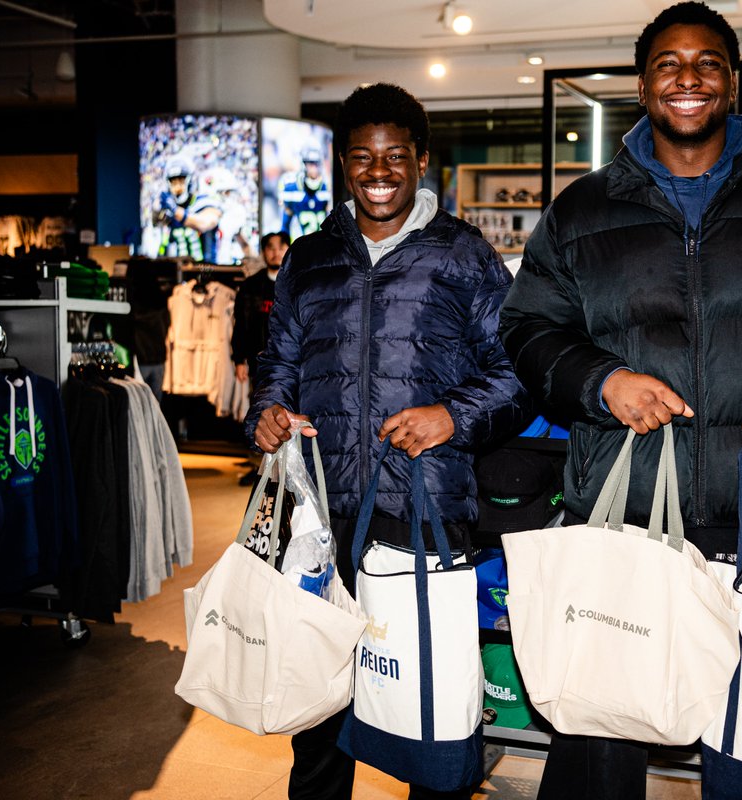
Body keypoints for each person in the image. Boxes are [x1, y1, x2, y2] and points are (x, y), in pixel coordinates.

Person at [497, 3, 742, 798]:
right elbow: (529, 328)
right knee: (599, 745)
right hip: (623, 515)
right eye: (669, 65)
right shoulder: (583, 210)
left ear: (735, 83)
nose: (688, 79)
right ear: (642, 87)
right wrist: (601, 383)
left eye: (708, 63)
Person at [245, 82, 531, 800]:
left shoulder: (463, 255)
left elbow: (520, 374)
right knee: (319, 706)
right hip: (321, 512)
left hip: (425, 507)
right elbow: (277, 362)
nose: (380, 171)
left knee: (428, 703)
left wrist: (450, 417)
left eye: (395, 156)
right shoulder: (309, 258)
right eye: (364, 157)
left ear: (422, 160)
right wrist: (269, 411)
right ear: (344, 164)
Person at [231, 231, 289, 388]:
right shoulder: (250, 286)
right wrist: (239, 359)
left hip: (291, 364)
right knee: (260, 408)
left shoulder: (297, 286)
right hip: (259, 363)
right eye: (270, 248)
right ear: (263, 252)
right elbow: (241, 324)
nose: (276, 253)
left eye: (281, 247)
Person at [154, 153, 223, 263]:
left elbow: (205, 223)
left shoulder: (203, 202)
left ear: (190, 181)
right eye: (173, 182)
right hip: (177, 273)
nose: (177, 187)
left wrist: (176, 210)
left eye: (181, 181)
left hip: (205, 272)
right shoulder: (168, 209)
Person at [280, 142, 331, 237]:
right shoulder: (292, 189)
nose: (314, 169)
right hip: (299, 246)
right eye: (311, 164)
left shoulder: (326, 188)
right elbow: (285, 228)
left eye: (317, 164)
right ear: (304, 165)